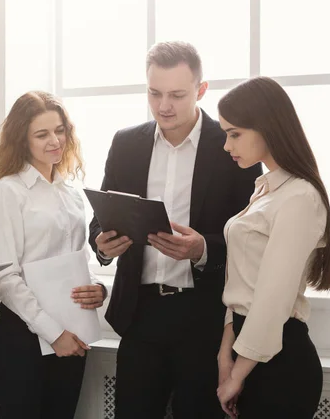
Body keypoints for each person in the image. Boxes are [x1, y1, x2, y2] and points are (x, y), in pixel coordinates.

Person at [89, 41, 262, 418]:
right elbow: (100, 218)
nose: (163, 105)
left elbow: (255, 239)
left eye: (177, 95)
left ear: (201, 90)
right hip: (140, 314)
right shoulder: (125, 143)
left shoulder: (233, 145)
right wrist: (103, 244)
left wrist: (203, 250)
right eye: (154, 93)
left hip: (205, 316)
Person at [0, 91, 107, 419]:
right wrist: (54, 334)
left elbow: (78, 258)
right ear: (22, 140)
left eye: (60, 130)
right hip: (25, 334)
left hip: (73, 328)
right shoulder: (7, 192)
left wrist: (97, 287)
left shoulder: (72, 193)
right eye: (42, 134)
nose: (55, 140)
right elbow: (4, 278)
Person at [216, 76, 330, 419]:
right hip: (246, 352)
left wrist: (237, 374)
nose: (227, 145)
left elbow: (272, 299)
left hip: (280, 363)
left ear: (267, 127)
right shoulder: (265, 190)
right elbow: (238, 284)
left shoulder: (299, 197)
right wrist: (225, 356)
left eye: (234, 133)